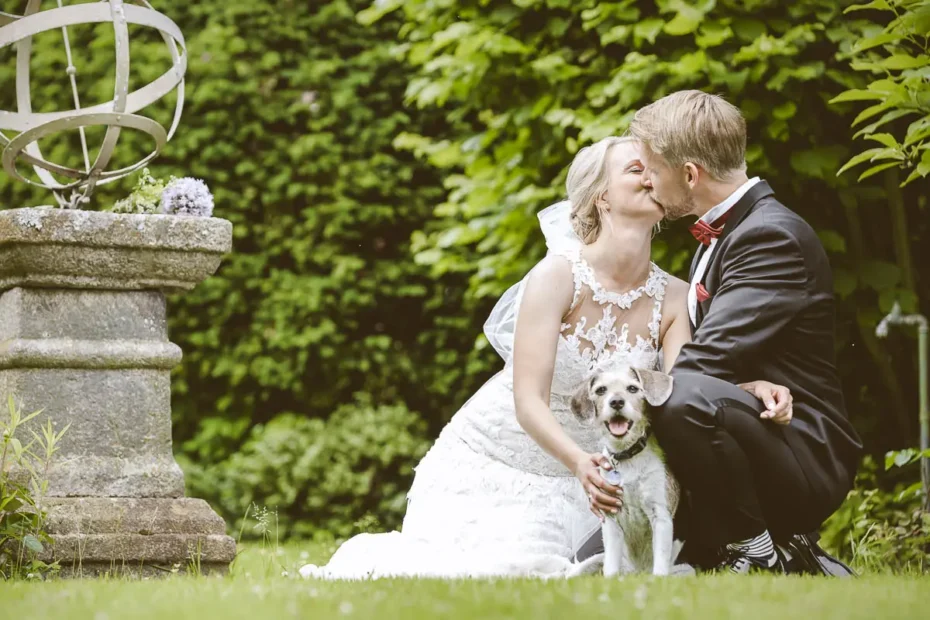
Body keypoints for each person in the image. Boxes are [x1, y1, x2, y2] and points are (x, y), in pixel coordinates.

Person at [299, 136, 791, 579]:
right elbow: (528, 399)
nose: (651, 176)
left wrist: (747, 389)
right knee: (498, 566)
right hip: (506, 459)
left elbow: (684, 387)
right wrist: (580, 462)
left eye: (653, 169)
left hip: (605, 468)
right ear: (602, 196)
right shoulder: (557, 276)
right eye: (635, 169)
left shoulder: (673, 297)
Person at [626, 90, 862, 574]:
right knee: (604, 553)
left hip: (801, 449)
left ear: (690, 174)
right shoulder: (725, 233)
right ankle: (784, 551)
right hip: (747, 432)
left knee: (679, 395)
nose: (647, 180)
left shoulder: (769, 235)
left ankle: (760, 553)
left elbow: (701, 366)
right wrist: (748, 387)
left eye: (652, 169)